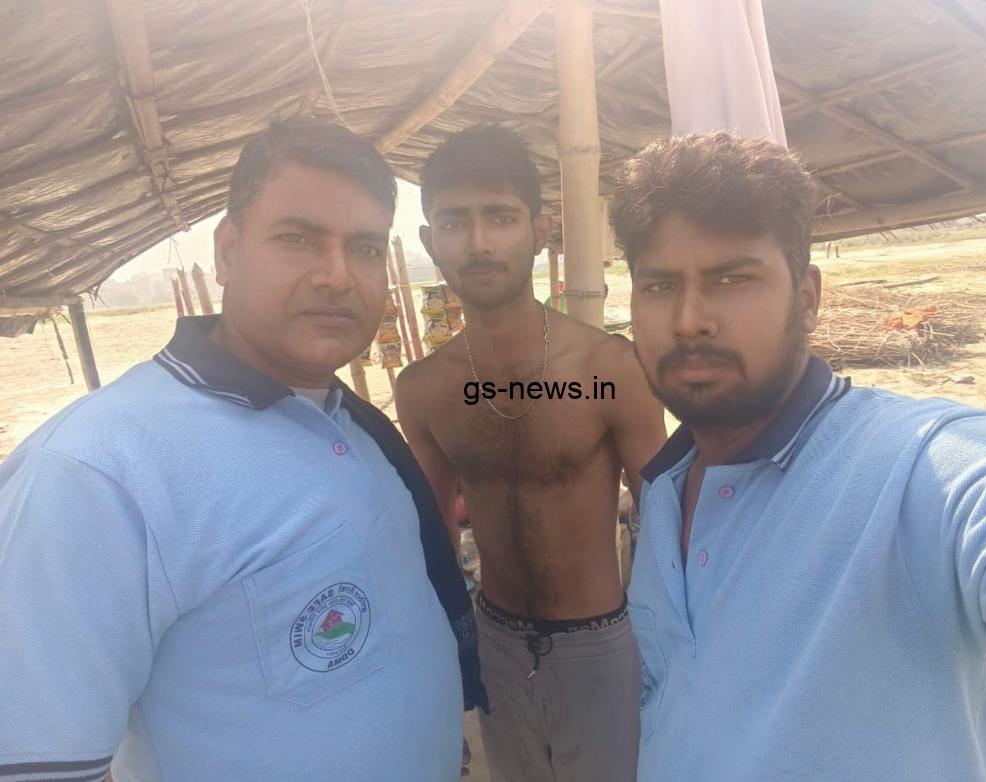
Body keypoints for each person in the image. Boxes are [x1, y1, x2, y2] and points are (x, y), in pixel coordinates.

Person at [0, 118, 483, 781]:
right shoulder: (96, 475)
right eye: (298, 239)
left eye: (366, 248)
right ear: (227, 251)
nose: (338, 276)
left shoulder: (352, 422)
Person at [610, 131, 986, 781]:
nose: (690, 319)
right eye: (660, 285)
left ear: (807, 298)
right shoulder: (666, 487)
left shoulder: (916, 461)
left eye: (732, 278)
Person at [395, 124, 666, 782]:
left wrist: (672, 655)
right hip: (496, 644)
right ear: (430, 241)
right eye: (454, 222)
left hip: (600, 643)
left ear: (540, 231)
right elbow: (431, 540)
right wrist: (439, 670)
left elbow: (666, 520)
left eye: (501, 217)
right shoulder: (424, 388)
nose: (479, 243)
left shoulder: (608, 369)